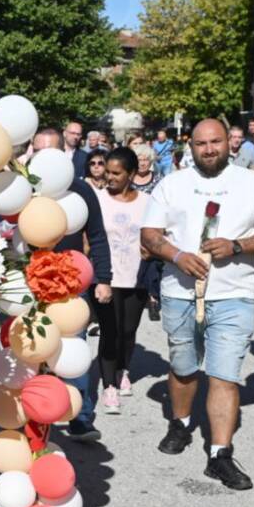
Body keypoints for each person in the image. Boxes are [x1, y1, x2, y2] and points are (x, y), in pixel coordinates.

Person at [141, 119, 254, 490]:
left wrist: (237, 246)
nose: (209, 149)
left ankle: (220, 454)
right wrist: (177, 256)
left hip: (234, 294)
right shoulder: (172, 185)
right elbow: (150, 234)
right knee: (183, 367)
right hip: (180, 293)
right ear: (191, 146)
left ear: (229, 143)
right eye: (201, 143)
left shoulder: (253, 183)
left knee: (224, 375)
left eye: (215, 141)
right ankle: (180, 423)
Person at [30, 129, 113, 441]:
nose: (44, 158)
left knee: (72, 348)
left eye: (50, 152)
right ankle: (33, 415)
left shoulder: (80, 189)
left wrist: (103, 278)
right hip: (29, 282)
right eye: (38, 151)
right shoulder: (21, 189)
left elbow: (97, 235)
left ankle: (80, 416)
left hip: (70, 283)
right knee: (31, 348)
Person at [93, 148, 153, 413]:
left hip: (137, 276)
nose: (110, 177)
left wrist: (152, 249)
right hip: (107, 276)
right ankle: (109, 386)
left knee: (128, 331)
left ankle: (122, 369)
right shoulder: (98, 200)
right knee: (110, 331)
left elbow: (158, 233)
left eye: (116, 173)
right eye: (108, 172)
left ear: (131, 174)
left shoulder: (147, 201)